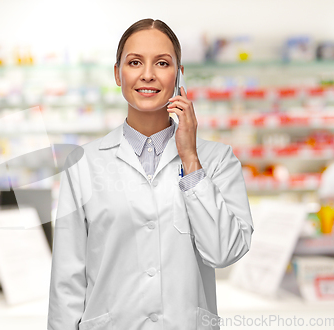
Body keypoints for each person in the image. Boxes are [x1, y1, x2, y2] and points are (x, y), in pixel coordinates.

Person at [48, 18, 254, 330]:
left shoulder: (217, 160)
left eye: (162, 62)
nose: (148, 74)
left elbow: (224, 252)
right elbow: (67, 278)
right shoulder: (83, 163)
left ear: (179, 75)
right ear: (118, 74)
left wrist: (190, 159)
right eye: (134, 62)